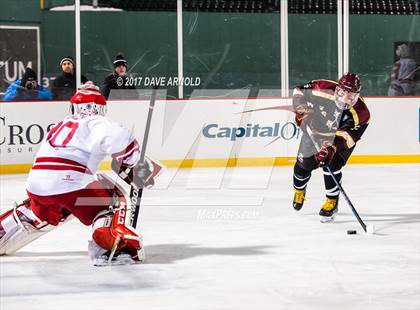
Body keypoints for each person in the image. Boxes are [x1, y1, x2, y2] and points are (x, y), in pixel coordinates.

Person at [0, 81, 162, 266]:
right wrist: (136, 164)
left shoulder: (60, 124)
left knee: (47, 208)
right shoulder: (97, 122)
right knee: (111, 201)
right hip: (70, 183)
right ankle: (112, 247)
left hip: (37, 184)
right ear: (99, 108)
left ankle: (4, 231)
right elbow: (121, 140)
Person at [291, 72, 370, 222]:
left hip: (339, 138)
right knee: (303, 166)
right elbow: (298, 90)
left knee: (332, 164)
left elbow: (348, 138)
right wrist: (301, 109)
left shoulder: (361, 114)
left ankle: (332, 201)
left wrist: (331, 148)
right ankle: (299, 190)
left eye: (351, 95)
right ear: (337, 89)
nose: (346, 99)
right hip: (314, 131)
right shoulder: (322, 88)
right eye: (343, 93)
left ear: (357, 95)